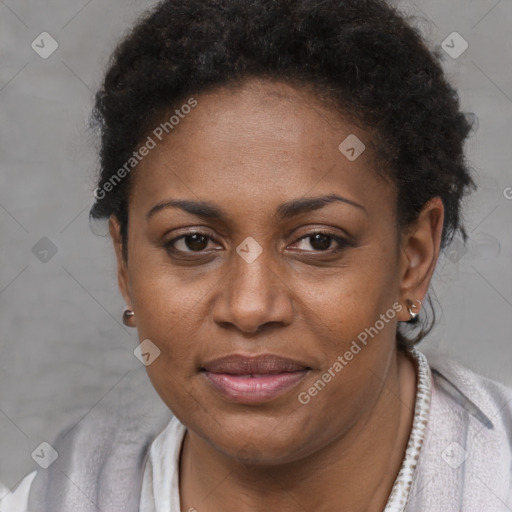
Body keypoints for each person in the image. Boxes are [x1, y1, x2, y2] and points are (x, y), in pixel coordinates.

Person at [1, 0, 511, 510]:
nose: (249, 308)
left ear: (413, 258)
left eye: (318, 241)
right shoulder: (57, 495)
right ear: (124, 264)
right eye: (193, 242)